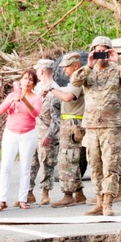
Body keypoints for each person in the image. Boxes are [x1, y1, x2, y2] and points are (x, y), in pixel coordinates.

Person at [70, 35, 121, 216]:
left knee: (111, 165)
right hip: (92, 126)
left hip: (112, 126)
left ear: (109, 51)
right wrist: (89, 64)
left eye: (104, 51)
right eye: (97, 51)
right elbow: (74, 82)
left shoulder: (118, 70)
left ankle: (108, 203)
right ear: (92, 51)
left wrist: (120, 61)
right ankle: (99, 201)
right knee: (95, 165)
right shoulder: (87, 71)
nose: (101, 54)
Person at [0, 68, 42, 211]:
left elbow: (35, 113)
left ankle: (23, 199)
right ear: (20, 81)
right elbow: (0, 110)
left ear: (34, 84)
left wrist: (24, 100)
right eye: (25, 78)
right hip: (11, 133)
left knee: (25, 167)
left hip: (27, 134)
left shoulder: (36, 98)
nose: (27, 82)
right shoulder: (12, 95)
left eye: (30, 80)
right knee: (6, 167)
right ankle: (2, 199)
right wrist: (12, 100)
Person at [47, 51, 89, 208]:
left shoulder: (77, 80)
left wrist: (52, 90)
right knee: (72, 159)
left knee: (66, 160)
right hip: (69, 122)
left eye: (67, 67)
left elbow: (68, 97)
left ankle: (67, 195)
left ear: (76, 65)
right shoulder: (73, 80)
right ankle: (78, 193)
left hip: (73, 123)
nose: (64, 69)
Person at [28, 59, 60, 206]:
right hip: (33, 132)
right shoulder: (36, 88)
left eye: (37, 71)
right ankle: (28, 192)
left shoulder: (55, 90)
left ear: (41, 71)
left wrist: (49, 135)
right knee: (31, 163)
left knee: (47, 163)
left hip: (47, 134)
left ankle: (45, 192)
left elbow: (57, 119)